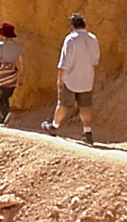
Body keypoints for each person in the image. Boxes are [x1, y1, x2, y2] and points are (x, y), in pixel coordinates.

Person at [41, 13, 100, 145]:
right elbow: (95, 60)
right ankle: (87, 132)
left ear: (72, 26)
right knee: (85, 106)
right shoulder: (93, 38)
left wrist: (59, 79)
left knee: (63, 104)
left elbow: (64, 62)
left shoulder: (71, 39)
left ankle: (54, 127)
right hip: (87, 78)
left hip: (70, 78)